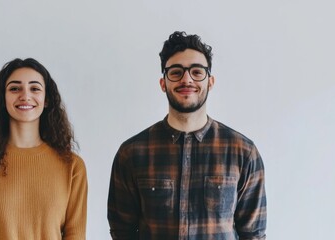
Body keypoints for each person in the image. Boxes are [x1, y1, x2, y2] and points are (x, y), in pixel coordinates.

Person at [107, 31, 267, 239]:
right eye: (176, 72)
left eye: (197, 72)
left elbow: (253, 234)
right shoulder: (132, 153)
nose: (187, 79)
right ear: (163, 83)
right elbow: (122, 232)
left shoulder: (243, 152)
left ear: (210, 81)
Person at [0, 58, 87, 240]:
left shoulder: (72, 166)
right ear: (3, 99)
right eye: (14, 88)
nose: (25, 96)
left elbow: (75, 234)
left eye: (34, 88)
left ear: (47, 99)